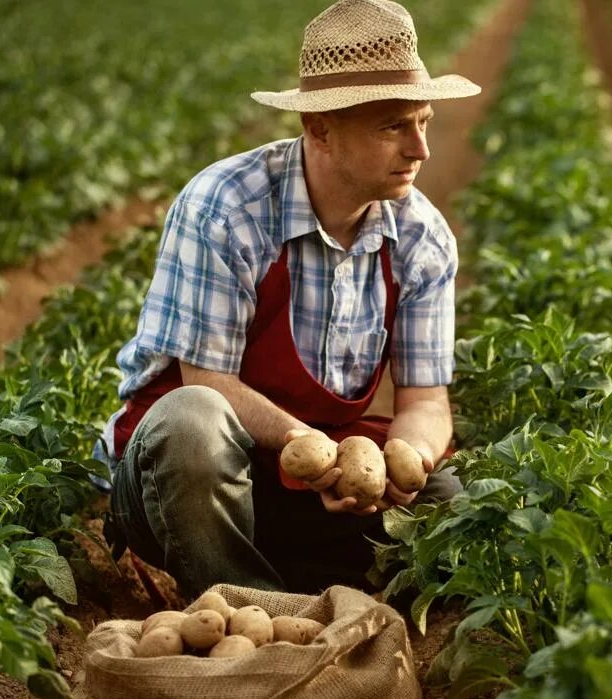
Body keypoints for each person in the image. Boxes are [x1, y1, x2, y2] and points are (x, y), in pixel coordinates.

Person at [96, 0, 481, 599]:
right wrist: (316, 451)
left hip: (303, 487)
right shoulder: (227, 207)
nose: (419, 149)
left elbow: (427, 399)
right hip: (189, 484)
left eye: (424, 121)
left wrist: (407, 456)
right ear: (320, 129)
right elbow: (208, 379)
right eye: (392, 126)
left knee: (448, 499)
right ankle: (243, 603)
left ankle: (311, 591)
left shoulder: (422, 238)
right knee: (191, 421)